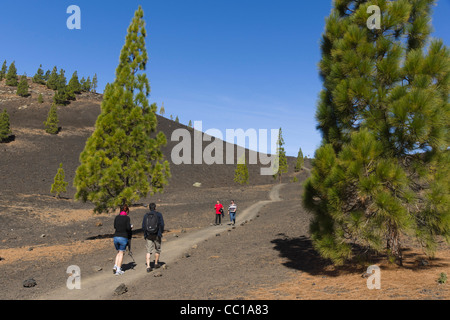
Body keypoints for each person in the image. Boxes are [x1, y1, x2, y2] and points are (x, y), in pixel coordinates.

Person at [142, 203, 164, 273]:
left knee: (148, 251)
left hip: (148, 235)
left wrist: (145, 234)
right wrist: (160, 232)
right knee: (157, 249)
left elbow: (143, 226)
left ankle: (148, 266)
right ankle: (156, 263)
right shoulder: (159, 214)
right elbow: (162, 224)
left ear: (149, 208)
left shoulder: (146, 215)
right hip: (157, 234)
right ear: (155, 208)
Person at [113, 204, 132, 275]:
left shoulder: (117, 217)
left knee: (118, 252)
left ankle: (115, 266)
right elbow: (127, 228)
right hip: (123, 237)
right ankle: (118, 269)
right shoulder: (127, 218)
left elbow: (115, 226)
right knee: (121, 253)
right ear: (126, 210)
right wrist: (130, 227)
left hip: (116, 236)